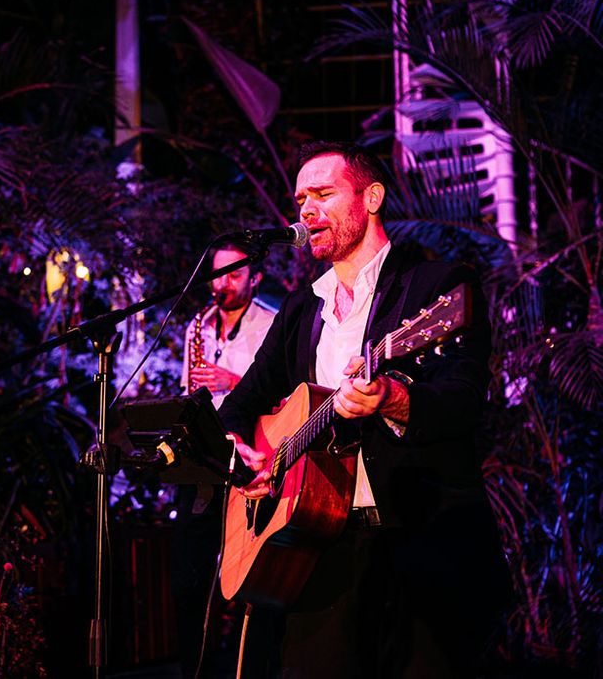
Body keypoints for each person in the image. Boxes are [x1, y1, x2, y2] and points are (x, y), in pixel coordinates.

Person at [218, 141, 511, 678]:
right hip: (319, 548)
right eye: (301, 199)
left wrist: (391, 399)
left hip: (421, 542)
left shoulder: (438, 287)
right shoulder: (303, 307)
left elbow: (465, 400)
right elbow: (239, 405)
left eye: (324, 194)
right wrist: (247, 459)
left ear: (371, 197)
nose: (306, 211)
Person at [172, 243, 276, 678]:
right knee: (190, 572)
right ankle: (194, 667)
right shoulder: (197, 326)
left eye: (234, 275)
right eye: (218, 275)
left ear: (255, 279)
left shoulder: (272, 323)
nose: (223, 284)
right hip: (203, 460)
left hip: (249, 457)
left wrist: (231, 381)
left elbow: (282, 395)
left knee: (246, 577)